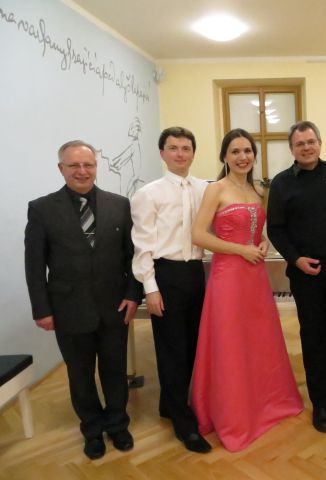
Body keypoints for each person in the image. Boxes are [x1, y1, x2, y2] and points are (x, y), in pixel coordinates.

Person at [24, 140, 142, 460]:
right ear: (60, 168)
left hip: (115, 306)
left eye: (88, 164)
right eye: (74, 165)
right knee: (80, 374)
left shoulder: (119, 204)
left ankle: (117, 425)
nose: (82, 171)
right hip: (68, 310)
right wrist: (41, 309)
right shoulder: (42, 209)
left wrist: (133, 294)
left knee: (115, 370)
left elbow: (132, 256)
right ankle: (92, 429)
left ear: (96, 167)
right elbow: (34, 265)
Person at [190, 129, 303, 452]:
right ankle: (233, 413)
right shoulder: (216, 189)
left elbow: (256, 231)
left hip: (254, 275)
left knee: (257, 340)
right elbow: (199, 235)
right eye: (235, 151)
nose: (242, 157)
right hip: (228, 276)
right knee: (230, 341)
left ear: (254, 155)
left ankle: (262, 403)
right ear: (225, 156)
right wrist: (241, 250)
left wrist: (262, 242)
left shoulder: (258, 190)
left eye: (247, 151)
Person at [267, 121, 326, 434]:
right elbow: (275, 229)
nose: (306, 147)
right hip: (305, 273)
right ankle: (320, 403)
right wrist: (296, 259)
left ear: (320, 143)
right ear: (292, 149)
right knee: (314, 337)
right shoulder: (281, 184)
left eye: (311, 141)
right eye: (300, 143)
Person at [130, 127, 211, 453]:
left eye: (186, 148)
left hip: (195, 273)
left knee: (192, 346)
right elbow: (142, 246)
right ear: (162, 153)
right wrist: (150, 288)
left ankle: (169, 402)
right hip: (166, 274)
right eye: (173, 148)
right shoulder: (148, 194)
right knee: (171, 349)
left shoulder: (205, 188)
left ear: (193, 153)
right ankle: (183, 421)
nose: (180, 153)